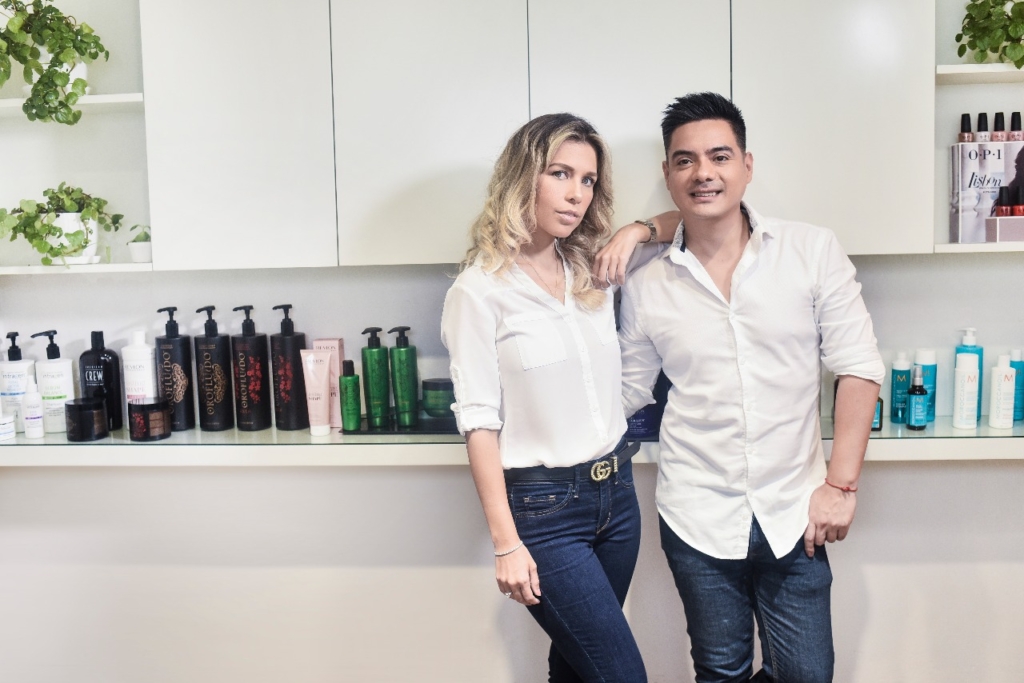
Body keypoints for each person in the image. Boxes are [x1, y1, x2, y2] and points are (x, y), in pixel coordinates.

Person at [610, 92, 885, 683]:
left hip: (795, 509)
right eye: (685, 160)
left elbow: (859, 367)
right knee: (720, 671)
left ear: (747, 165)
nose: (703, 173)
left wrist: (841, 485)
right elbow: (627, 392)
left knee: (807, 674)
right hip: (696, 513)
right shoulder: (647, 282)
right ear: (668, 174)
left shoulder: (810, 251)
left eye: (719, 156)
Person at [440, 113, 649, 683]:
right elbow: (479, 422)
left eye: (588, 180)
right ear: (522, 177)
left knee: (577, 668)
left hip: (619, 499)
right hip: (545, 512)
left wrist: (634, 230)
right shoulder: (478, 292)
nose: (577, 194)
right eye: (560, 174)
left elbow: (692, 219)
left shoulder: (589, 268)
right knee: (621, 675)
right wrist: (505, 543)